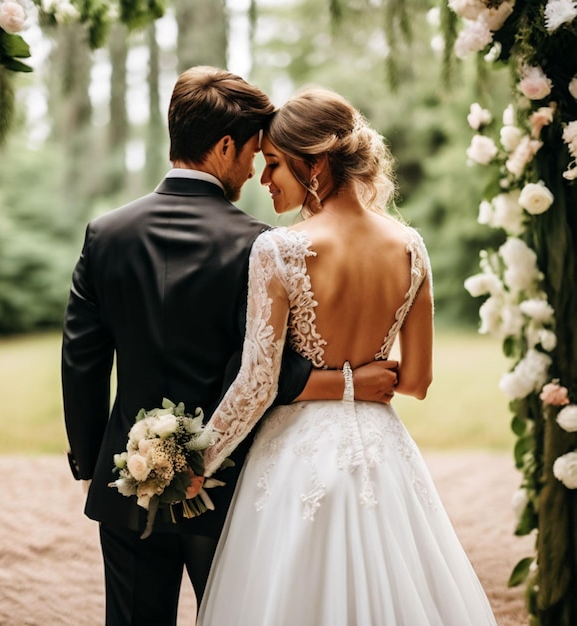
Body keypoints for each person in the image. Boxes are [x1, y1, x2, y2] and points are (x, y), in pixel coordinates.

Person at [61, 66, 398, 626]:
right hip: (228, 483)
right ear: (223, 146)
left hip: (127, 476)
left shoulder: (106, 233)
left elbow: (82, 362)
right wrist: (347, 382)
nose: (255, 169)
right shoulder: (259, 245)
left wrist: (94, 461)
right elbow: (269, 368)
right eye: (253, 153)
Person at [195, 87, 498, 625]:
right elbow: (419, 381)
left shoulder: (278, 249)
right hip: (384, 453)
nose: (264, 181)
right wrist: (359, 380)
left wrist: (197, 460)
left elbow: (258, 382)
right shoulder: (410, 245)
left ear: (313, 165)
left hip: (295, 457)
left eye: (273, 165)